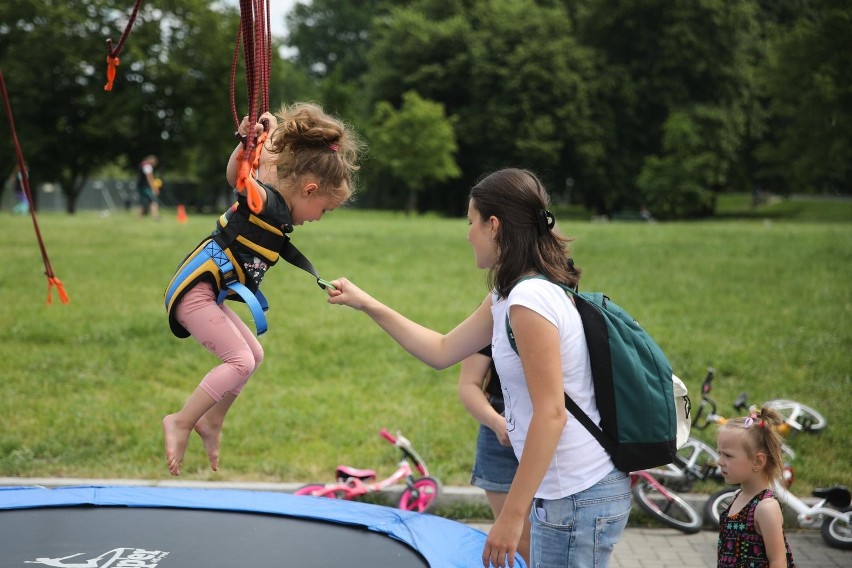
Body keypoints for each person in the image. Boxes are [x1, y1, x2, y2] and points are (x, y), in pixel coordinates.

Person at [326, 168, 631, 567]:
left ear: (494, 225)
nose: (467, 233)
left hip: (577, 494)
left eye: (471, 222)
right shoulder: (508, 295)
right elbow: (440, 350)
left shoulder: (529, 301)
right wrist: (366, 302)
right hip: (566, 493)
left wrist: (511, 515)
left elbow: (552, 414)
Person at [162, 102, 363, 476]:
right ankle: (182, 420)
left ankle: (212, 421)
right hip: (194, 293)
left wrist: (265, 141)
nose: (318, 218)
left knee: (253, 355)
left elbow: (264, 169)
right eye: (324, 209)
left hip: (210, 293)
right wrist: (249, 146)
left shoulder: (278, 200)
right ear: (310, 189)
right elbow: (239, 178)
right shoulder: (265, 199)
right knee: (238, 359)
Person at [458, 346, 531, 566]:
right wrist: (496, 423)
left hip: (559, 429)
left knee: (552, 538)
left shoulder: (565, 311)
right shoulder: (492, 313)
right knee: (517, 544)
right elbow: (468, 384)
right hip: (501, 433)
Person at [716, 406, 796, 567]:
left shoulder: (765, 507)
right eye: (720, 453)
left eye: (728, 455)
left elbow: (778, 561)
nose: (719, 461)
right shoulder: (738, 495)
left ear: (758, 461)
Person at [136, 155, 160, 220]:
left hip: (141, 186)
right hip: (146, 187)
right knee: (154, 201)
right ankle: (155, 217)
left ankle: (138, 218)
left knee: (143, 202)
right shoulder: (148, 166)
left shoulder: (142, 165)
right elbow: (150, 178)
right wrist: (154, 188)